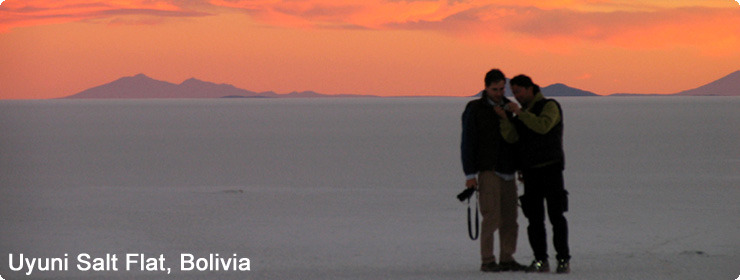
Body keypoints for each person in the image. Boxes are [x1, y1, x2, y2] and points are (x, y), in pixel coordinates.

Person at [496, 74, 571, 273]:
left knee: (556, 217)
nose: (516, 96)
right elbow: (514, 139)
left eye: (519, 91)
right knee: (534, 220)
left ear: (530, 89)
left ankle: (563, 260)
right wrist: (506, 120)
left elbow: (543, 126)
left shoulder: (550, 106)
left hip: (551, 169)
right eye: (514, 92)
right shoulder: (522, 112)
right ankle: (540, 260)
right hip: (530, 173)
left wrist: (520, 114)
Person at [460, 69, 525, 272]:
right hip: (488, 169)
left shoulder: (510, 107)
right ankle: (487, 260)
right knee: (491, 216)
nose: (498, 93)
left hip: (508, 170)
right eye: (494, 89)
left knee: (510, 218)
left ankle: (507, 258)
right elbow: (467, 143)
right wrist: (470, 175)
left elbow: (519, 140)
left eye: (501, 89)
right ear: (486, 87)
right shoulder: (474, 109)